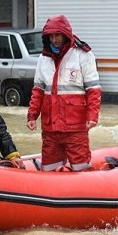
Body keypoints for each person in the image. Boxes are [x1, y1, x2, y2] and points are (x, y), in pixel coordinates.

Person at [26, 14, 101, 171]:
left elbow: (93, 90)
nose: (54, 39)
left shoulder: (83, 55)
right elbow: (38, 90)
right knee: (49, 168)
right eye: (51, 36)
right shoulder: (43, 58)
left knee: (81, 167)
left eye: (57, 35)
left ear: (65, 34)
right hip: (50, 127)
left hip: (75, 126)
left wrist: (92, 116)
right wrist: (32, 115)